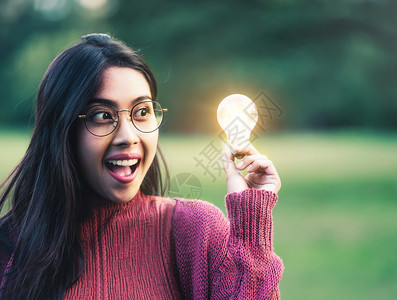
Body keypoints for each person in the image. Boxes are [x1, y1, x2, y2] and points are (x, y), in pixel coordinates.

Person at [0, 33, 283, 299]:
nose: (128, 136)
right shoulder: (9, 246)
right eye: (102, 115)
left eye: (143, 112)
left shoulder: (194, 232)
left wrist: (251, 229)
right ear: (63, 129)